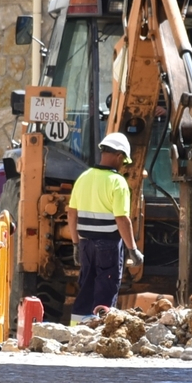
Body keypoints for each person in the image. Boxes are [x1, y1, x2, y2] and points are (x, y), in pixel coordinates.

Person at [67, 132, 144, 325]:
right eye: (123, 160)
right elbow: (122, 219)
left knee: (86, 287)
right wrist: (133, 250)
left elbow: (71, 214)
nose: (123, 164)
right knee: (106, 288)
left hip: (85, 243)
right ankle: (101, 332)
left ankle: (77, 331)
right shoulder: (118, 182)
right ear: (119, 156)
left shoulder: (83, 178)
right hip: (108, 245)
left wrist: (76, 244)